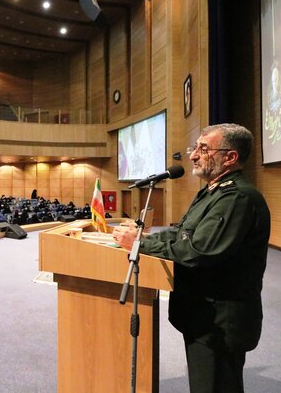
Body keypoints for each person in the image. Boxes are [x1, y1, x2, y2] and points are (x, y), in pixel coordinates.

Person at [113, 123, 270, 393]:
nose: (193, 155)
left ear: (230, 157)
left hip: (219, 320)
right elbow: (182, 234)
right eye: (195, 147)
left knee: (215, 385)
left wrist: (138, 244)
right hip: (203, 314)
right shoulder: (212, 192)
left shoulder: (237, 198)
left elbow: (199, 250)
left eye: (203, 149)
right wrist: (146, 239)